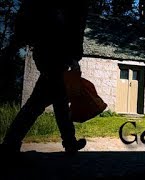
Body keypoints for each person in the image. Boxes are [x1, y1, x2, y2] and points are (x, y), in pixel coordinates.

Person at [1, 0, 89, 154]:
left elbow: (73, 28)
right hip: (52, 54)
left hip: (53, 55)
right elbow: (68, 28)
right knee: (40, 102)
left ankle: (69, 142)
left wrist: (73, 57)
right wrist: (73, 57)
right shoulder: (59, 9)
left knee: (56, 101)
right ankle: (10, 143)